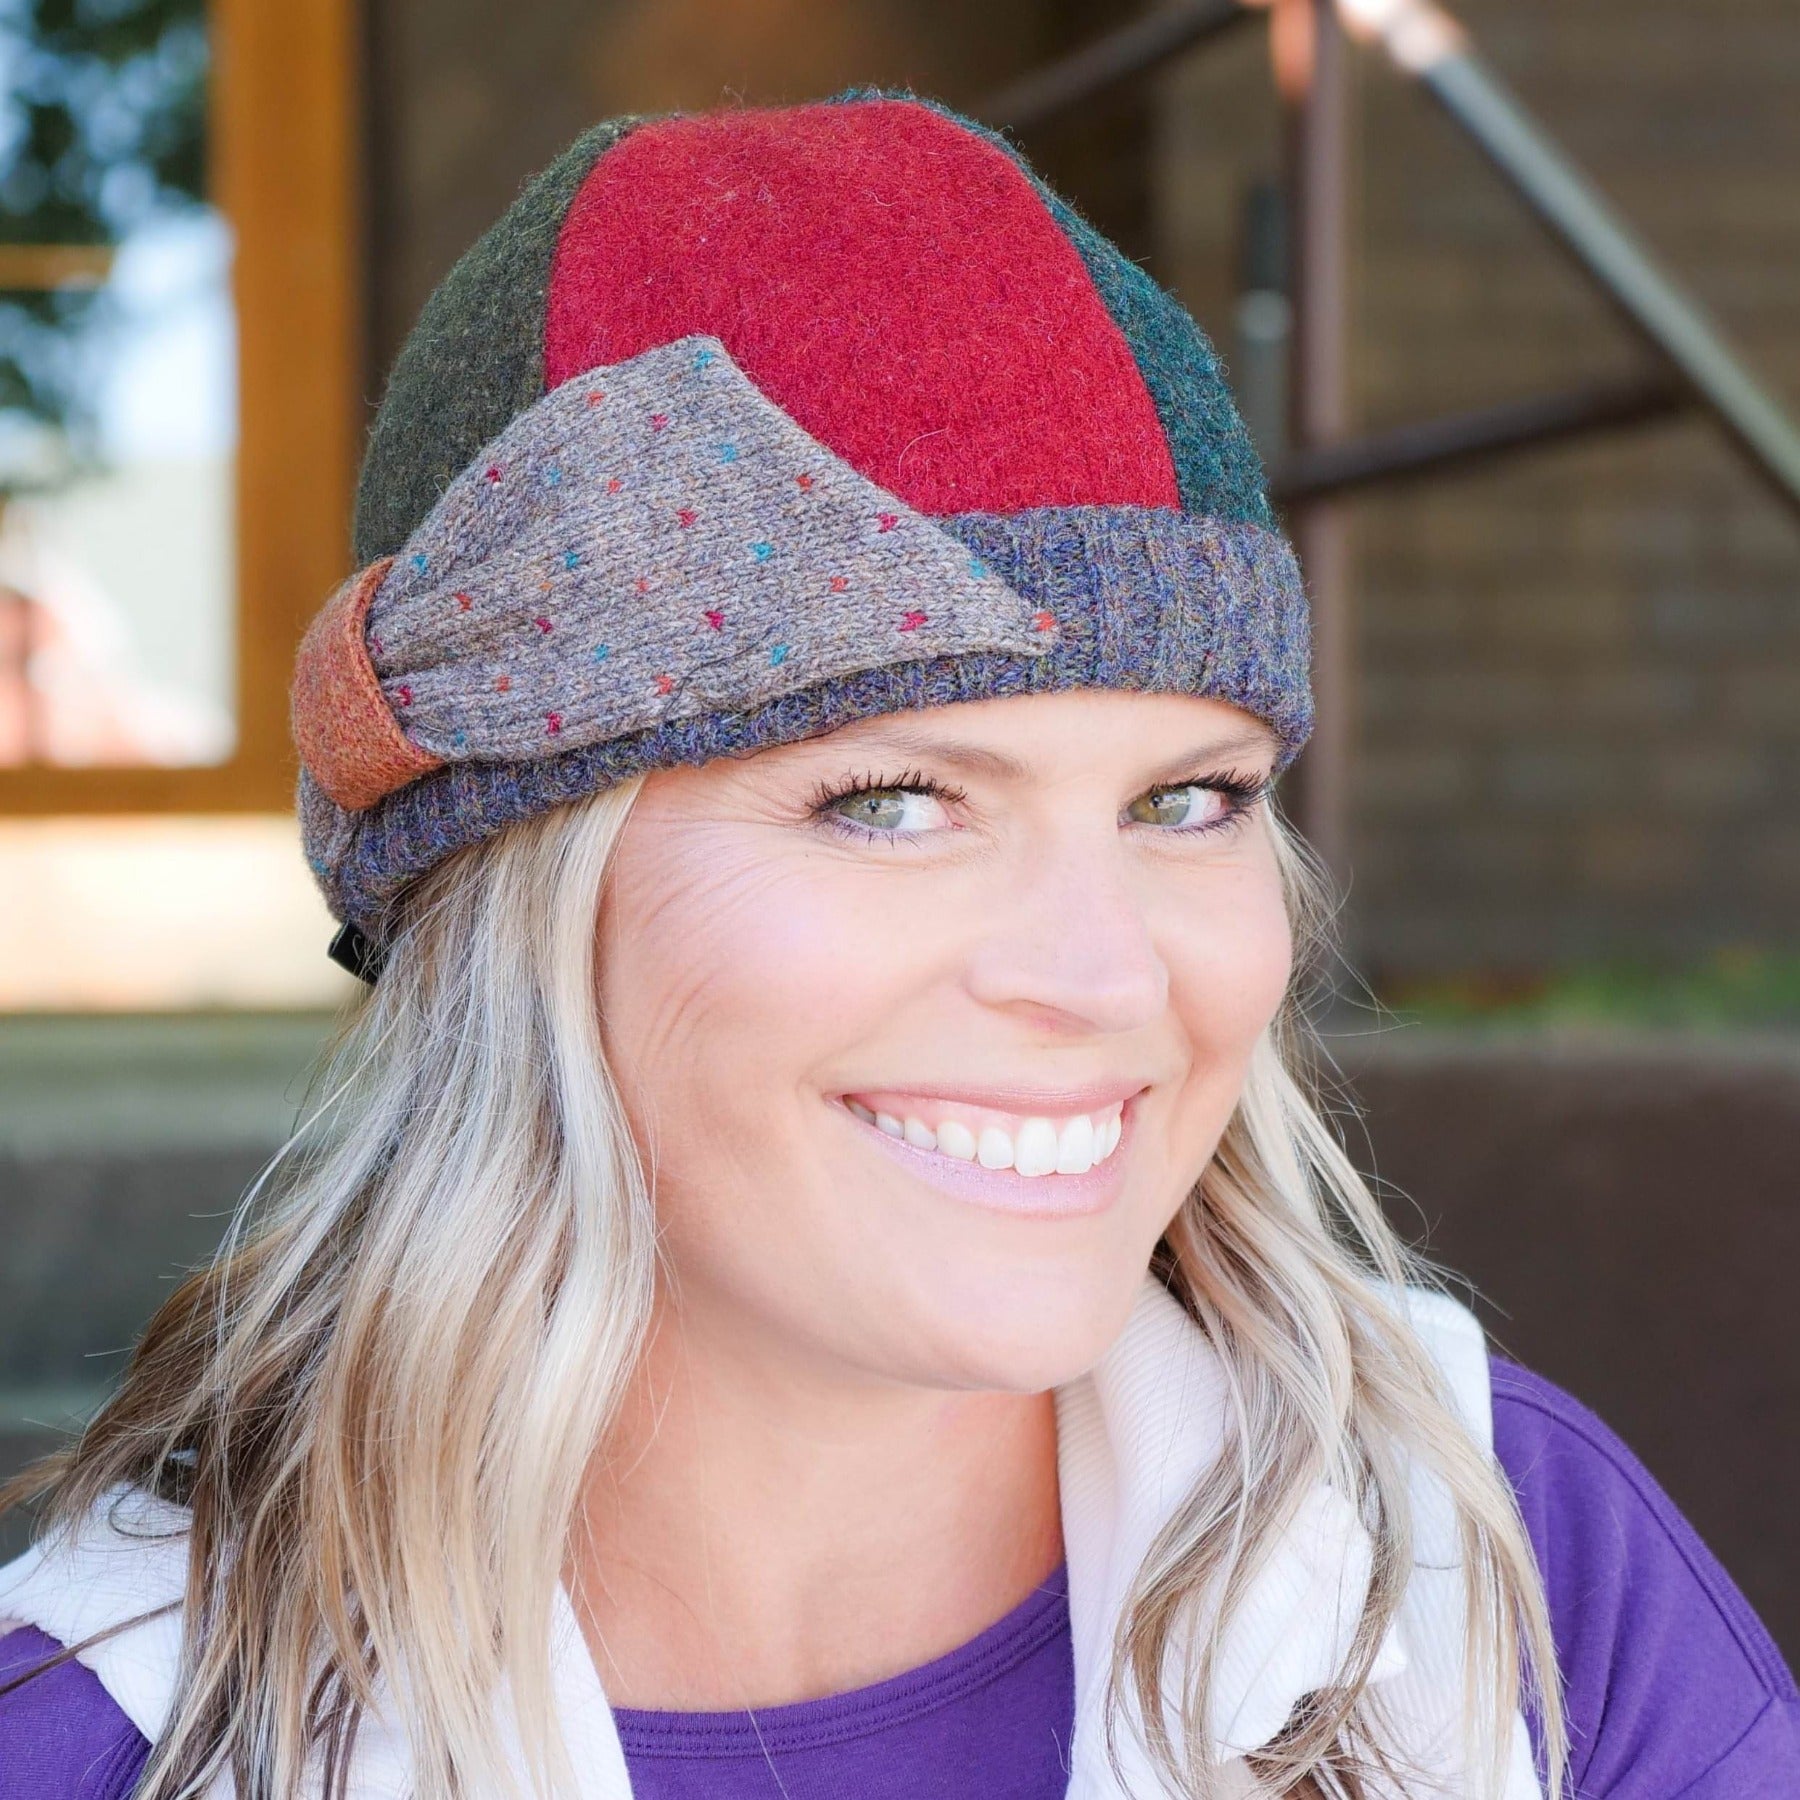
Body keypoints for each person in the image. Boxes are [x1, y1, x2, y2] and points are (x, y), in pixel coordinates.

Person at [1, 91, 1794, 1800]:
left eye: (1189, 800)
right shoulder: (104, 1735)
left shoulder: (1501, 1564)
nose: (1105, 979)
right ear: (511, 896)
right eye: (897, 800)